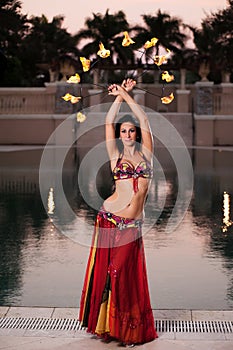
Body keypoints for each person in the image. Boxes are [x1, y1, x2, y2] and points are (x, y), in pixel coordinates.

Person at [79, 79, 158, 346]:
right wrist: (117, 98)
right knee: (111, 271)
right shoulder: (115, 157)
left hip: (132, 225)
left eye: (130, 131)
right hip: (110, 218)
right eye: (123, 131)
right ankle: (110, 327)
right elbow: (108, 121)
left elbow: (144, 118)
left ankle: (125, 328)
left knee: (123, 273)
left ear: (135, 134)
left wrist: (127, 93)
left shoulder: (146, 156)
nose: (126, 134)